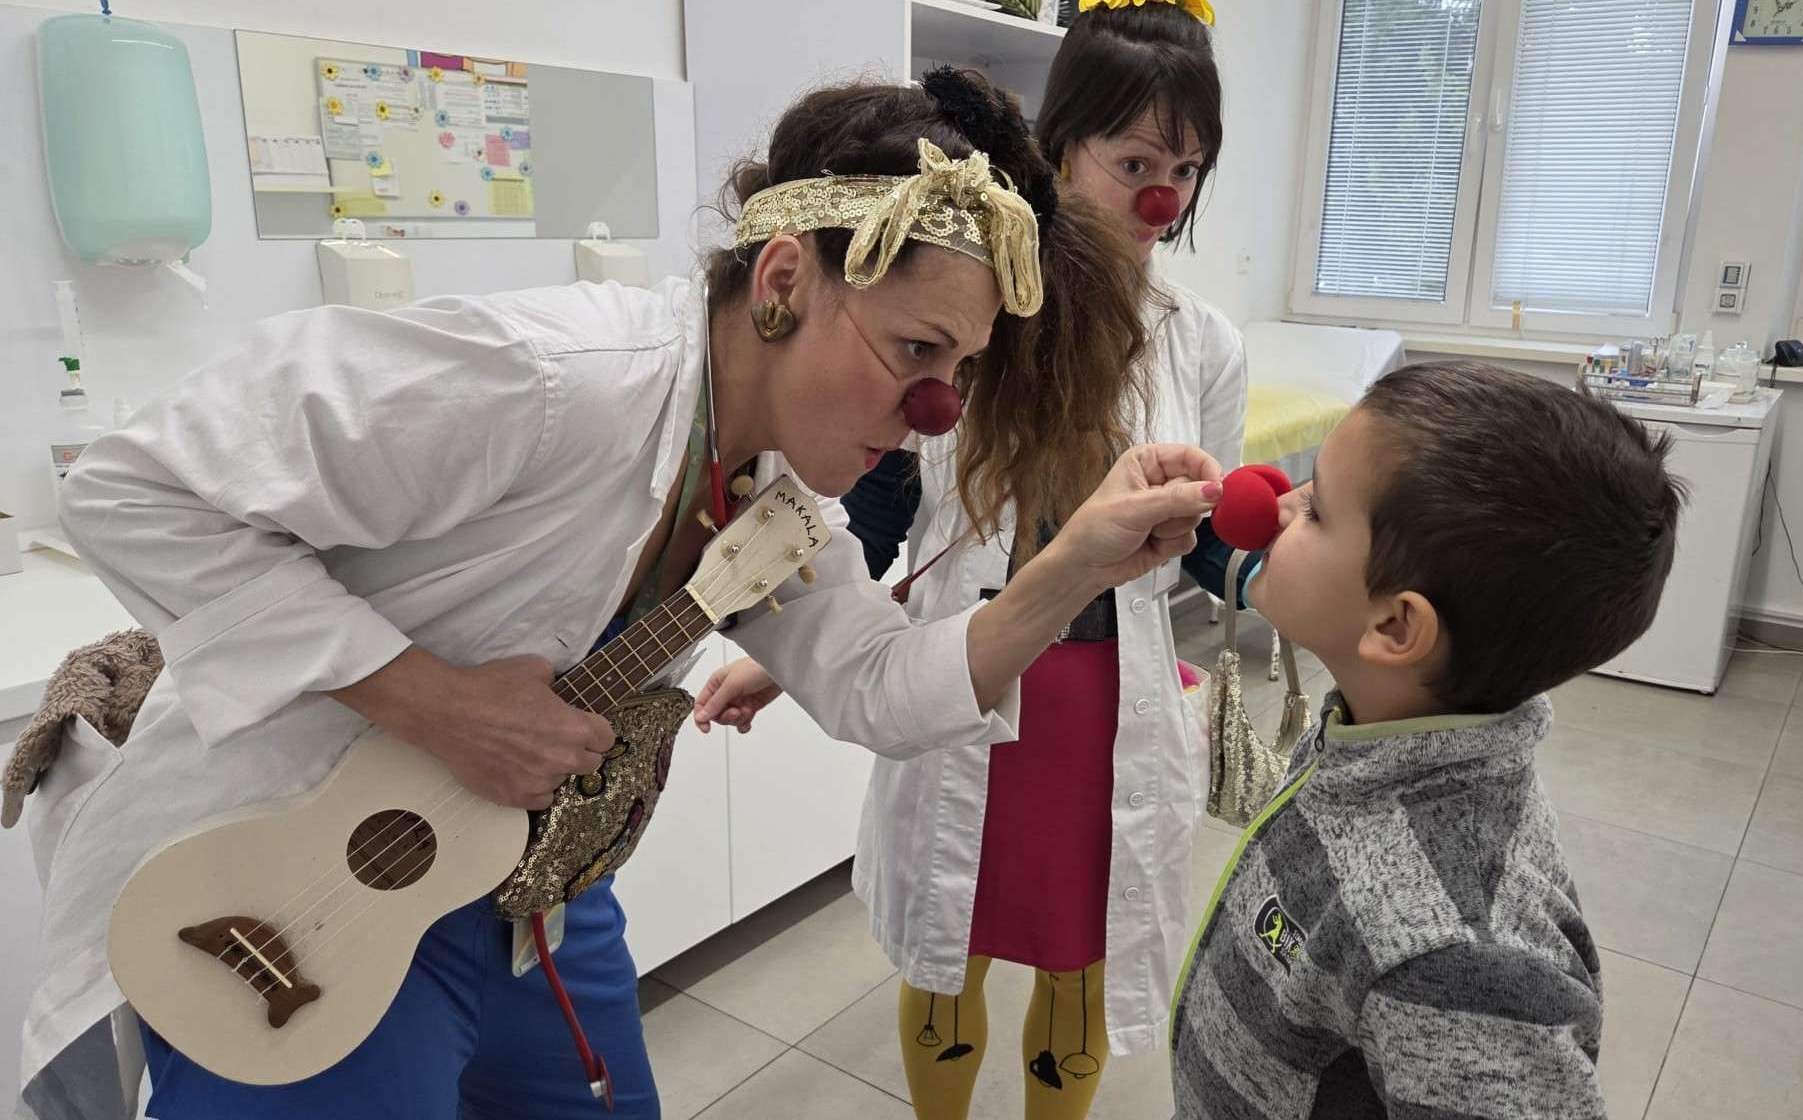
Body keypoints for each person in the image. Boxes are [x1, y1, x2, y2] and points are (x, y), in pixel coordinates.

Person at [14, 69, 1226, 1120]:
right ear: (787, 278)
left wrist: (1072, 565)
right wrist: (430, 701)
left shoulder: (769, 501)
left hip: (529, 886)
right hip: (288, 885)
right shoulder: (553, 379)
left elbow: (880, 688)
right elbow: (131, 489)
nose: (935, 414)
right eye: (916, 351)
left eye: (960, 368)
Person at [695, 0, 1242, 1120]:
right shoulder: (971, 306)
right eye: (1135, 161)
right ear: (1062, 146)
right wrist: (783, 657)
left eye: (1186, 169)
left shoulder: (1202, 342)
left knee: (1080, 954)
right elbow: (881, 513)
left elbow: (1207, 539)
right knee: (953, 950)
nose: (1163, 198)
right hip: (969, 673)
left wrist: (1284, 548)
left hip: (1108, 699)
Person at [1171, 361, 1686, 1119]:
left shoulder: (1457, 954)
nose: (1277, 502)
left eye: (1316, 510)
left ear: (1394, 626)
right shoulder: (1367, 736)